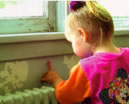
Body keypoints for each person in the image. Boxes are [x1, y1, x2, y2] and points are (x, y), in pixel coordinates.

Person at [40, 1, 129, 104]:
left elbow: (65, 97)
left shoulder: (87, 68)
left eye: (71, 41)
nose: (72, 46)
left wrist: (55, 79)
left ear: (82, 34)